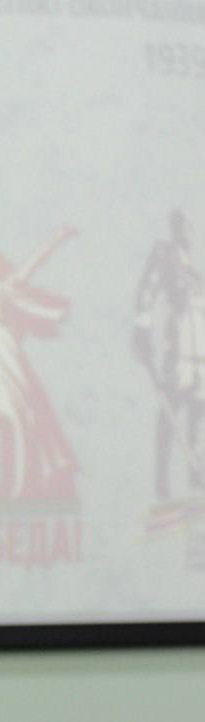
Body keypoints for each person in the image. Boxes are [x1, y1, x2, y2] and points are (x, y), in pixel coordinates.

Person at [0, 225, 78, 500]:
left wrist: (57, 237)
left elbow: (35, 260)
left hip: (3, 343)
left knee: (22, 407)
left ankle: (33, 476)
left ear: (2, 269)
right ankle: (29, 477)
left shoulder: (9, 286)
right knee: (9, 410)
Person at [133, 209, 205, 502]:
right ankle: (161, 483)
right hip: (179, 350)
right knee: (171, 409)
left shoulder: (194, 269)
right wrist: (142, 329)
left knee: (198, 412)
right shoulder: (165, 255)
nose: (188, 231)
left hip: (200, 353)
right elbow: (147, 291)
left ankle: (196, 478)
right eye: (183, 225)